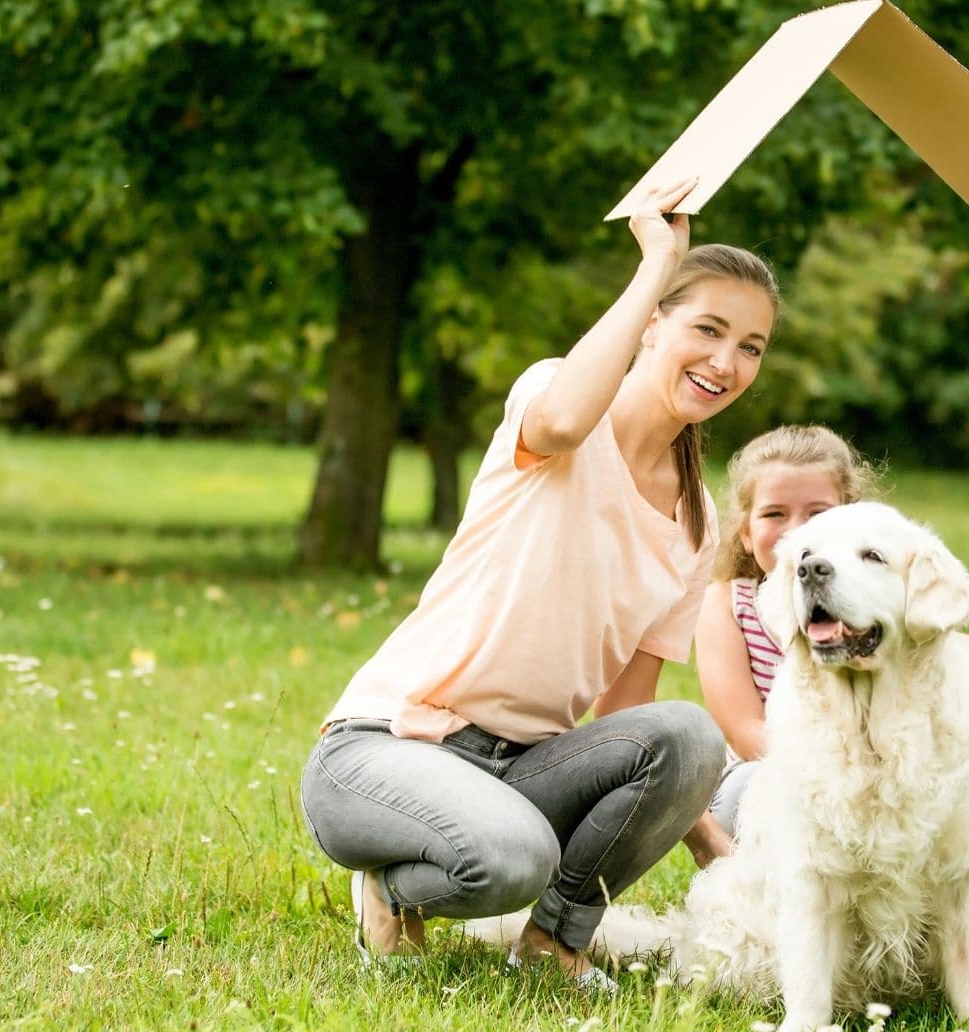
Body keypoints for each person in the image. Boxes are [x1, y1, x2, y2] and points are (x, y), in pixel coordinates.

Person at [298, 179, 774, 990]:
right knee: (510, 861)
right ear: (653, 323)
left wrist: (718, 857)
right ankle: (389, 884)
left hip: (522, 769)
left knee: (690, 734)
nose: (726, 363)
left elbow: (629, 717)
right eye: (707, 329)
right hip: (386, 750)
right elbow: (560, 422)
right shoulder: (557, 405)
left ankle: (555, 945)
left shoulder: (696, 521)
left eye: (752, 347)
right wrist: (656, 262)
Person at [695, 425, 876, 836]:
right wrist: (836, 779)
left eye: (819, 514)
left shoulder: (875, 610)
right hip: (766, 777)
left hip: (871, 779)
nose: (797, 532)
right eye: (774, 514)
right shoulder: (728, 605)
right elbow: (745, 731)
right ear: (745, 532)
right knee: (752, 788)